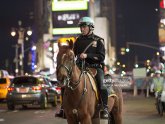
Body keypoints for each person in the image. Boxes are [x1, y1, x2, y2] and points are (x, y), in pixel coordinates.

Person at [73, 16, 109, 118]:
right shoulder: (78, 40)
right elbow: (73, 54)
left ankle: (105, 107)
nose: (82, 29)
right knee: (67, 82)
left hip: (95, 68)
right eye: (81, 27)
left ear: (91, 27)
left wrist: (87, 55)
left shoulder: (98, 41)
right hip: (80, 67)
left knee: (102, 84)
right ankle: (63, 108)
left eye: (84, 27)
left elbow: (101, 57)